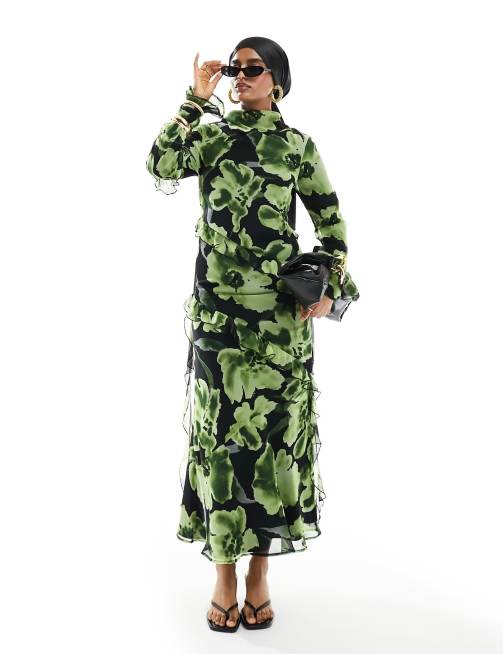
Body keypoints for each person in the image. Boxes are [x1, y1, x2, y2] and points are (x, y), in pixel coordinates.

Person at [146, 36, 360, 632]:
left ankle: (260, 572)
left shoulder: (297, 147)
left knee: (273, 446)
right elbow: (161, 164)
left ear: (278, 81)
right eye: (235, 68)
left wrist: (327, 287)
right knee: (219, 446)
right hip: (218, 322)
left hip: (280, 325)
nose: (239, 76)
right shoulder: (213, 138)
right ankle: (223, 575)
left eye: (252, 68)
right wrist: (196, 100)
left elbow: (332, 227)